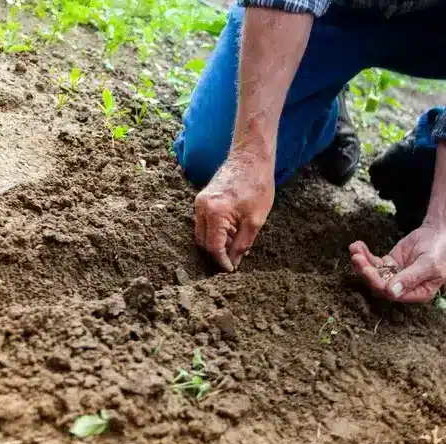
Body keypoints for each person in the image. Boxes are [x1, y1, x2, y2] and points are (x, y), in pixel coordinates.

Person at [173, 0, 446, 304]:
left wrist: (441, 224)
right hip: (335, 9)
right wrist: (249, 156)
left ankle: (430, 151)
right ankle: (321, 111)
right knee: (213, 156)